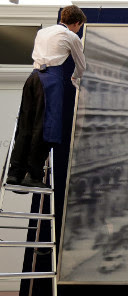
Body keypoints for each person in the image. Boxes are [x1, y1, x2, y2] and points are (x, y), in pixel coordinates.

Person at [6, 5, 86, 188]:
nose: (78, 30)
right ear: (77, 23)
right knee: (45, 126)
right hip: (50, 81)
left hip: (32, 78)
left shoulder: (42, 32)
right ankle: (33, 175)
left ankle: (15, 173)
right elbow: (81, 66)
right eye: (79, 26)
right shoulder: (72, 36)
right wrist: (75, 77)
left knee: (25, 125)